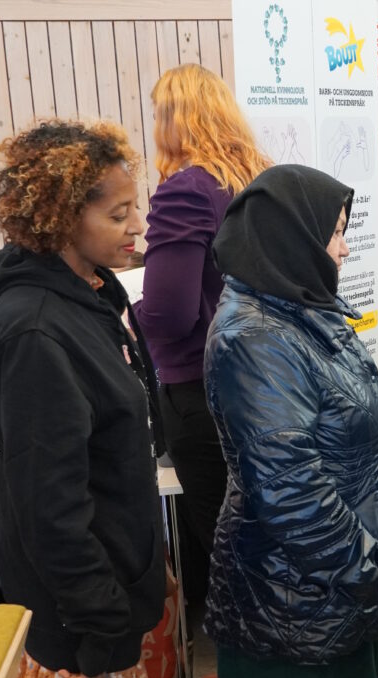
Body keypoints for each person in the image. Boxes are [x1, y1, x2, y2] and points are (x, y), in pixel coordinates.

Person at [202, 165, 378, 678]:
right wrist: (372, 573)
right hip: (295, 608)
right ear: (291, 237)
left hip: (333, 595)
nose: (343, 250)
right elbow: (291, 491)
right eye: (336, 232)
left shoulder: (299, 309)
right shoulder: (254, 337)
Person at [0, 120, 165, 678]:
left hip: (109, 601)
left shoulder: (91, 296)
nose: (138, 225)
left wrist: (149, 565)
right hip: (83, 642)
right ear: (60, 220)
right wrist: (102, 635)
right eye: (118, 214)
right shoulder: (37, 332)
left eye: (135, 207)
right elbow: (51, 512)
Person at [133, 62, 270, 607]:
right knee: (267, 540)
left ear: (173, 120)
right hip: (268, 385)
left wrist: (126, 315)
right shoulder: (260, 180)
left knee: (230, 555)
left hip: (203, 391)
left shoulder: (187, 188)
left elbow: (168, 313)